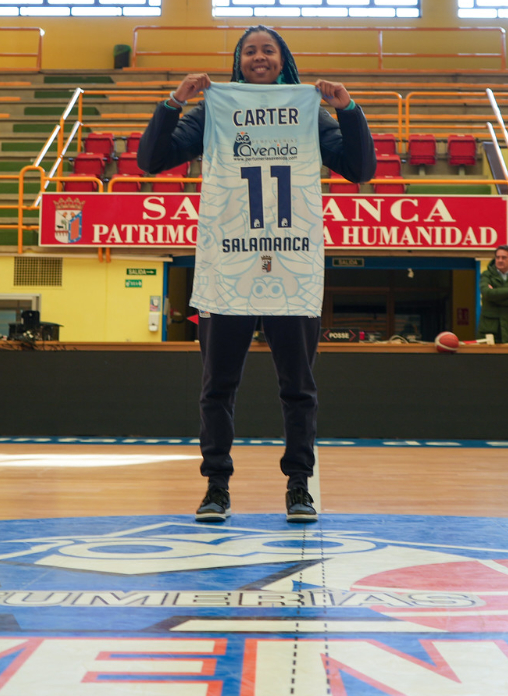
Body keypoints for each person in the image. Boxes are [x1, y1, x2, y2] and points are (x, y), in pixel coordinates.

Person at [137, 25, 376, 523]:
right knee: (217, 386)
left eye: (268, 49)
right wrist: (174, 101)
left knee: (299, 387)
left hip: (292, 261)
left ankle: (299, 487)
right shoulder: (213, 111)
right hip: (230, 263)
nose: (259, 57)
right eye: (250, 51)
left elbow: (359, 168)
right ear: (237, 61)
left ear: (283, 59)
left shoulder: (309, 111)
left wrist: (347, 109)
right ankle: (216, 488)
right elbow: (152, 160)